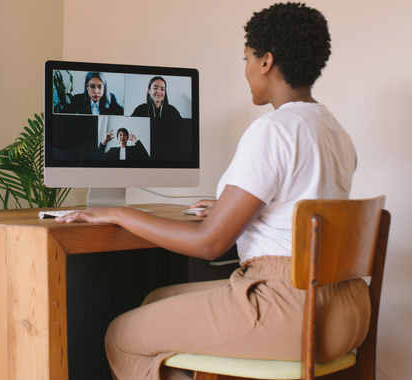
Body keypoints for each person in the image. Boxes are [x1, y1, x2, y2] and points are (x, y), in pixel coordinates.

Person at [56, 3, 369, 380]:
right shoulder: (333, 130)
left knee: (121, 335)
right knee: (156, 300)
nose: (247, 69)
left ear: (266, 61)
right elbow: (300, 201)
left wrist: (119, 213)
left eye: (247, 59)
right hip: (346, 309)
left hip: (292, 309)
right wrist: (229, 207)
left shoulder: (274, 129)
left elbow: (209, 244)